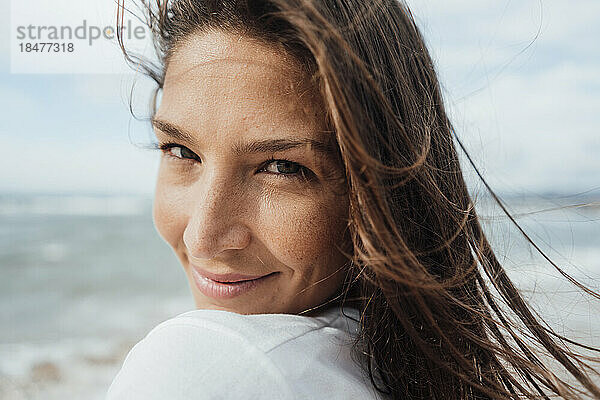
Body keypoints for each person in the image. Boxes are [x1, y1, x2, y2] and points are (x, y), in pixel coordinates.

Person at [107, 0, 600, 399]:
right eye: (181, 151)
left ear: (378, 192)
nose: (203, 235)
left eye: (283, 167)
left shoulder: (205, 369)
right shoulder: (399, 369)